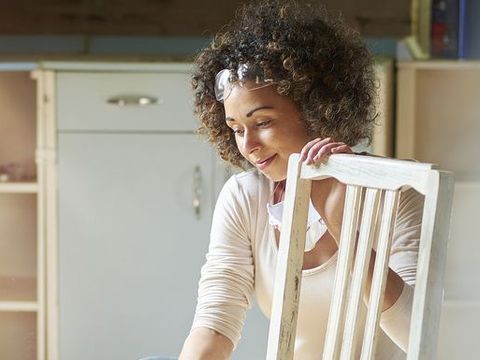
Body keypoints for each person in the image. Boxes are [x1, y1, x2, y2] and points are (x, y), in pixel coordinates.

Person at [179, 1, 423, 358]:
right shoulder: (245, 198)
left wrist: (340, 219)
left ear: (316, 108)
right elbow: (215, 323)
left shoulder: (398, 194)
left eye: (262, 122)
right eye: (235, 128)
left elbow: (421, 336)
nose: (248, 145)